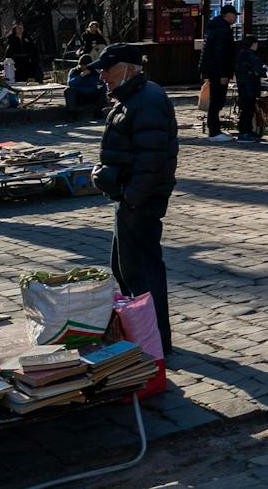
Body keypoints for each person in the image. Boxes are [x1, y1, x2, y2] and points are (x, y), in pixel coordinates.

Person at [89, 43, 178, 356]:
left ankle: (155, 342)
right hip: (129, 198)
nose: (102, 76)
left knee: (141, 270)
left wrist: (131, 198)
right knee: (125, 267)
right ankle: (145, 336)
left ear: (127, 68)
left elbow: (151, 160)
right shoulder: (132, 97)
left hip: (139, 201)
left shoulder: (148, 99)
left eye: (107, 69)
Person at [197, 5, 237, 138]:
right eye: (234, 15)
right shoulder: (222, 29)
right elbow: (220, 53)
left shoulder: (215, 27)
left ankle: (214, 128)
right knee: (217, 100)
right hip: (217, 70)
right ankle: (214, 130)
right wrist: (223, 73)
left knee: (216, 100)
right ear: (227, 15)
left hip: (212, 69)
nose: (235, 17)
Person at [233, 38, 264, 141]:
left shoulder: (240, 55)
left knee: (245, 109)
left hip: (242, 85)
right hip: (251, 85)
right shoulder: (252, 56)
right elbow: (259, 71)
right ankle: (246, 132)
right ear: (254, 44)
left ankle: (245, 131)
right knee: (249, 110)